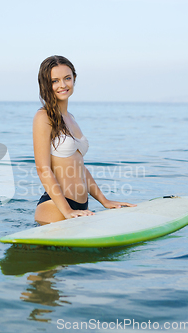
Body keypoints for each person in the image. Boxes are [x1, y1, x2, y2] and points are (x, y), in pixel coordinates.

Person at [33, 55, 136, 225]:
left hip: (80, 206)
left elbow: (80, 168)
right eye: (55, 81)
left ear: (74, 79)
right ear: (46, 84)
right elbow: (42, 169)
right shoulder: (43, 117)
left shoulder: (71, 118)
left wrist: (104, 201)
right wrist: (66, 211)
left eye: (67, 78)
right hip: (56, 208)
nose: (63, 85)